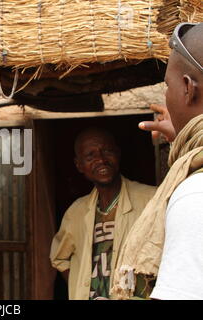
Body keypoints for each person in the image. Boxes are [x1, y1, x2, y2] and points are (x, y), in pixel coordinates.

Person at [112, 22, 203, 300]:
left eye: (167, 85)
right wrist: (184, 137)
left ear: (187, 89)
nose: (165, 96)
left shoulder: (194, 195)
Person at [49, 127, 156, 300]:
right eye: (90, 156)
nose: (101, 159)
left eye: (107, 151)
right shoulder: (76, 211)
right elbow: (60, 259)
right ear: (79, 165)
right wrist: (82, 285)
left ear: (118, 154)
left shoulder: (150, 199)